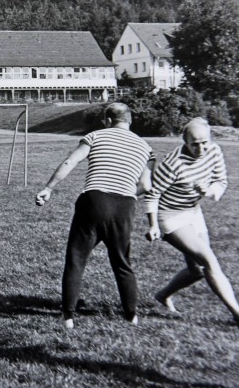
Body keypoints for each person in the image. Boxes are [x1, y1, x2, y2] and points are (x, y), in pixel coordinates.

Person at [35, 103, 155, 329]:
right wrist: (126, 194)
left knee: (76, 259)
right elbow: (146, 185)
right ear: (130, 121)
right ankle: (131, 316)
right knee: (122, 262)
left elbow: (71, 161)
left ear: (107, 121)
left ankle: (68, 317)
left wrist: (48, 188)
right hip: (125, 205)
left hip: (94, 200)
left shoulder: (95, 136)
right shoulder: (146, 147)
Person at [145, 118, 239, 324]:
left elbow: (221, 181)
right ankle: (237, 313)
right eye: (194, 143)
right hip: (169, 215)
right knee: (209, 261)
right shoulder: (173, 163)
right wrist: (152, 225)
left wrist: (209, 190)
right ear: (184, 141)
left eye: (204, 142)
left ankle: (162, 295)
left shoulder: (214, 151)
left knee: (196, 271)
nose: (201, 148)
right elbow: (152, 194)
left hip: (193, 212)